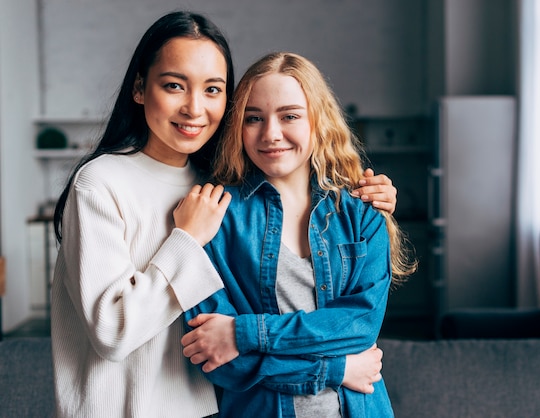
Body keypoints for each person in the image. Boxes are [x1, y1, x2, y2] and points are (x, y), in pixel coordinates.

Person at [50, 11, 399, 418]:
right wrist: (335, 368)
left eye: (213, 89)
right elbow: (119, 333)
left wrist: (373, 197)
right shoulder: (103, 183)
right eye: (174, 85)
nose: (194, 108)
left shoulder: (215, 185)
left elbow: (357, 321)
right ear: (141, 88)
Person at [182, 52, 417, 417]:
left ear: (317, 121)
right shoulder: (214, 216)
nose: (271, 134)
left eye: (289, 116)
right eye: (253, 118)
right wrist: (337, 369)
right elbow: (220, 359)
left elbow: (360, 327)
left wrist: (245, 334)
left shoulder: (362, 210)